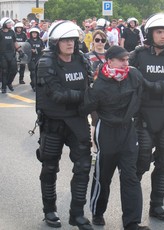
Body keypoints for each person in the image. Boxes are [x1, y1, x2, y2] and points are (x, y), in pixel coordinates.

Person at [80, 46, 149, 230]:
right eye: (122, 60)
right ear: (110, 61)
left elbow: (145, 92)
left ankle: (132, 222)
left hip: (127, 131)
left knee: (130, 176)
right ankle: (97, 211)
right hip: (107, 132)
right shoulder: (99, 84)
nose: (126, 63)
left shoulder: (134, 75)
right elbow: (85, 107)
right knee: (103, 175)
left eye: (127, 59)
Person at [35, 20, 93, 230]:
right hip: (54, 123)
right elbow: (57, 94)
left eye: (73, 39)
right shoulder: (46, 62)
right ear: (55, 42)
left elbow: (91, 84)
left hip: (77, 121)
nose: (70, 43)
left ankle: (77, 214)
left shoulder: (82, 59)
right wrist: (86, 96)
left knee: (84, 167)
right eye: (65, 40)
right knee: (49, 167)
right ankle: (49, 210)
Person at [129, 13, 164, 221]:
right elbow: (125, 74)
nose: (162, 36)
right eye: (158, 32)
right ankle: (132, 209)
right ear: (150, 33)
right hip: (142, 116)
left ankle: (157, 205)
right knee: (141, 162)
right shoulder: (137, 54)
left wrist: (154, 86)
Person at [84, 30, 107, 162]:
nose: (100, 43)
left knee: (105, 122)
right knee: (95, 120)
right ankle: (94, 150)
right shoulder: (87, 56)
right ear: (93, 41)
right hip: (92, 92)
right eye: (97, 40)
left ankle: (103, 148)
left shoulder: (110, 55)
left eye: (102, 40)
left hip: (108, 94)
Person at [0, 17, 23, 93]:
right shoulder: (0, 32)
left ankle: (9, 82)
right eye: (8, 23)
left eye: (10, 23)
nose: (10, 24)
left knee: (14, 70)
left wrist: (19, 51)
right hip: (3, 55)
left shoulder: (12, 32)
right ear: (3, 24)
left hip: (12, 54)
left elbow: (15, 42)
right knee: (4, 71)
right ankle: (3, 87)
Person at [27, 27, 44, 91]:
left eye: (35, 33)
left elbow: (43, 48)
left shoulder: (40, 40)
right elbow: (25, 49)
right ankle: (34, 85)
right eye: (33, 33)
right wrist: (31, 50)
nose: (34, 34)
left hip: (39, 57)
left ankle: (35, 83)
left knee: (38, 72)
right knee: (33, 72)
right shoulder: (28, 41)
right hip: (31, 58)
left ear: (37, 34)